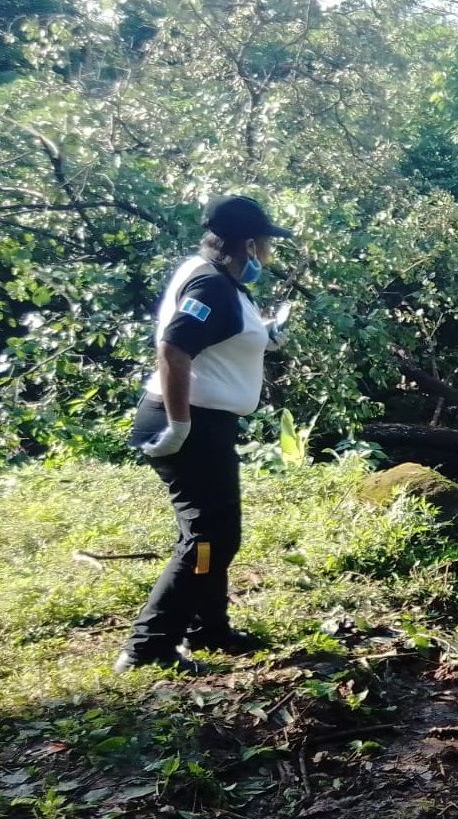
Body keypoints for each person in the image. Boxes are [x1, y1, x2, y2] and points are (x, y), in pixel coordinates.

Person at [114, 195, 293, 674]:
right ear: (250, 245)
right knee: (209, 537)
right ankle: (148, 645)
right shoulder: (212, 284)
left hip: (206, 421)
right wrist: (178, 423)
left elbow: (218, 340)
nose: (269, 255)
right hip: (190, 421)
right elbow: (174, 349)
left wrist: (266, 334)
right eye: (267, 245)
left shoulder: (217, 276)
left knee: (208, 533)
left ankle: (208, 628)